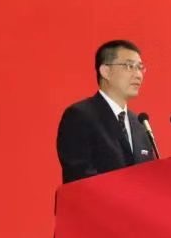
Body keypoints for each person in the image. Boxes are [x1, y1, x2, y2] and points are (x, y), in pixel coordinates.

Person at [56, 39, 157, 183]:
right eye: (129, 66)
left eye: (140, 67)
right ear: (106, 71)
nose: (138, 75)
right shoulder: (80, 116)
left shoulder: (140, 125)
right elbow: (80, 177)